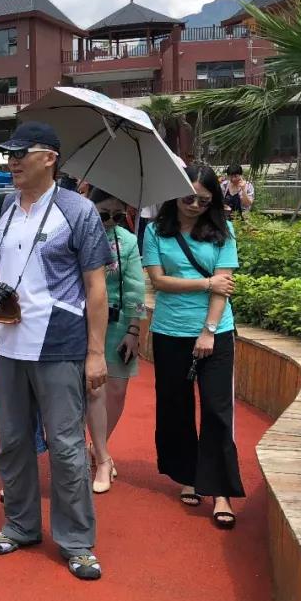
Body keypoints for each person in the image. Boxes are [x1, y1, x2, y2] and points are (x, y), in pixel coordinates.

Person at [0, 122, 111, 581]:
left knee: (67, 445)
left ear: (50, 158)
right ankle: (20, 524)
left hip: (59, 342)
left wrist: (96, 353)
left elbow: (96, 288)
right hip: (5, 342)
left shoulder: (78, 211)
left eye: (21, 153)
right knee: (13, 441)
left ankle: (76, 541)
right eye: (9, 154)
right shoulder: (3, 208)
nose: (12, 162)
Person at [143, 165, 242, 528]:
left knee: (217, 410)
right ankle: (188, 474)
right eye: (189, 198)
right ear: (174, 194)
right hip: (169, 331)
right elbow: (158, 281)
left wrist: (208, 331)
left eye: (204, 200)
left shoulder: (223, 231)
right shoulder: (156, 231)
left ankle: (221, 491)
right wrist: (205, 283)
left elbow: (224, 286)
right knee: (175, 406)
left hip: (216, 332)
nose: (196, 205)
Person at [86, 188, 146, 494]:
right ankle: (102, 457)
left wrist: (134, 331)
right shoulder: (79, 237)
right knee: (91, 389)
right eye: (104, 214)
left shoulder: (128, 241)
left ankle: (99, 447)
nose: (110, 221)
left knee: (117, 390)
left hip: (119, 323)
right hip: (84, 322)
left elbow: (136, 288)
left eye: (117, 216)